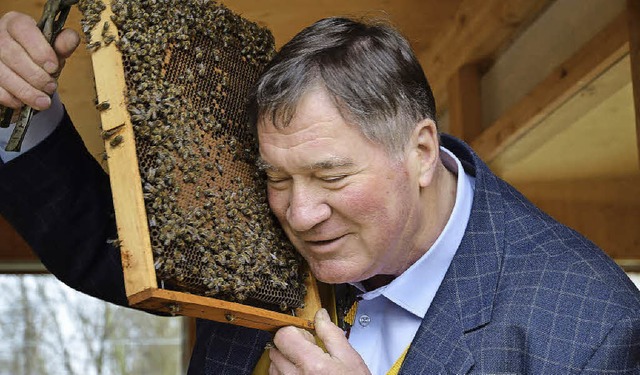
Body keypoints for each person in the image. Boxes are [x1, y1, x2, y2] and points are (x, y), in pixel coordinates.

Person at [1, 10, 639, 375]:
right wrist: (17, 109)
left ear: (419, 151)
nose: (299, 215)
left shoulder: (592, 327)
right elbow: (108, 242)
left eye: (333, 177)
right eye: (276, 178)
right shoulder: (262, 219)